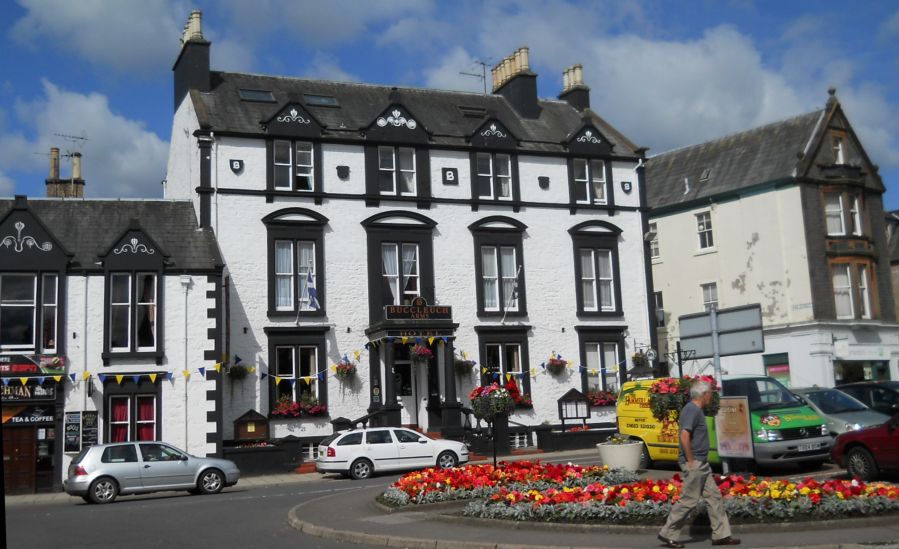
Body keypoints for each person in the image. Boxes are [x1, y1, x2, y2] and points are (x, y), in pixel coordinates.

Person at [657, 380, 740, 548]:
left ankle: (721, 535)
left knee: (714, 497)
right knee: (689, 499)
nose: (711, 396)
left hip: (702, 463)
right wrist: (690, 461)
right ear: (704, 395)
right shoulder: (691, 410)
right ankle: (668, 533)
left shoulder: (696, 410)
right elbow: (684, 435)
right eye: (710, 393)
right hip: (695, 463)